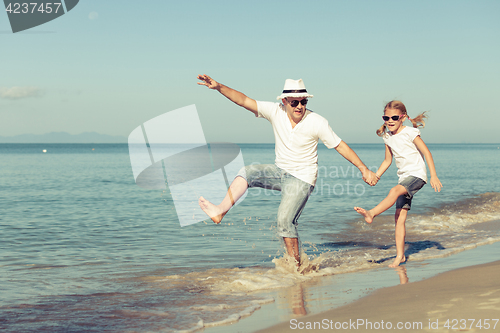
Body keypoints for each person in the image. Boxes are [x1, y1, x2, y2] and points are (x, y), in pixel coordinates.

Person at [197, 74, 377, 267]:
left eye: (303, 101)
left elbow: (340, 145)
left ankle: (296, 267)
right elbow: (243, 100)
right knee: (247, 172)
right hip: (278, 171)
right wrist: (218, 87)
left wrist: (363, 169)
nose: (299, 106)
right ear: (284, 101)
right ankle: (220, 211)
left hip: (302, 178)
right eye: (294, 102)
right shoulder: (275, 111)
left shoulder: (317, 121)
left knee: (284, 220)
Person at [354, 100, 443, 267]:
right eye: (386, 117)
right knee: (399, 218)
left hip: (417, 175)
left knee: (394, 191)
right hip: (404, 179)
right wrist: (376, 176)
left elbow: (427, 152)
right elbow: (387, 160)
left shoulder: (411, 132)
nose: (390, 121)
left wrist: (434, 176)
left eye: (394, 117)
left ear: (403, 117)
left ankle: (372, 213)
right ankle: (400, 256)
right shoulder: (387, 137)